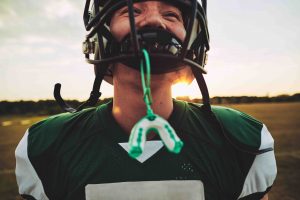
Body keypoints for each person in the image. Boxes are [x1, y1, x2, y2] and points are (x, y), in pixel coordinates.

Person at [15, 0, 277, 199]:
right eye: (134, 10)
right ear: (100, 36)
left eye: (170, 14)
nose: (154, 22)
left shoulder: (240, 140)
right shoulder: (47, 145)